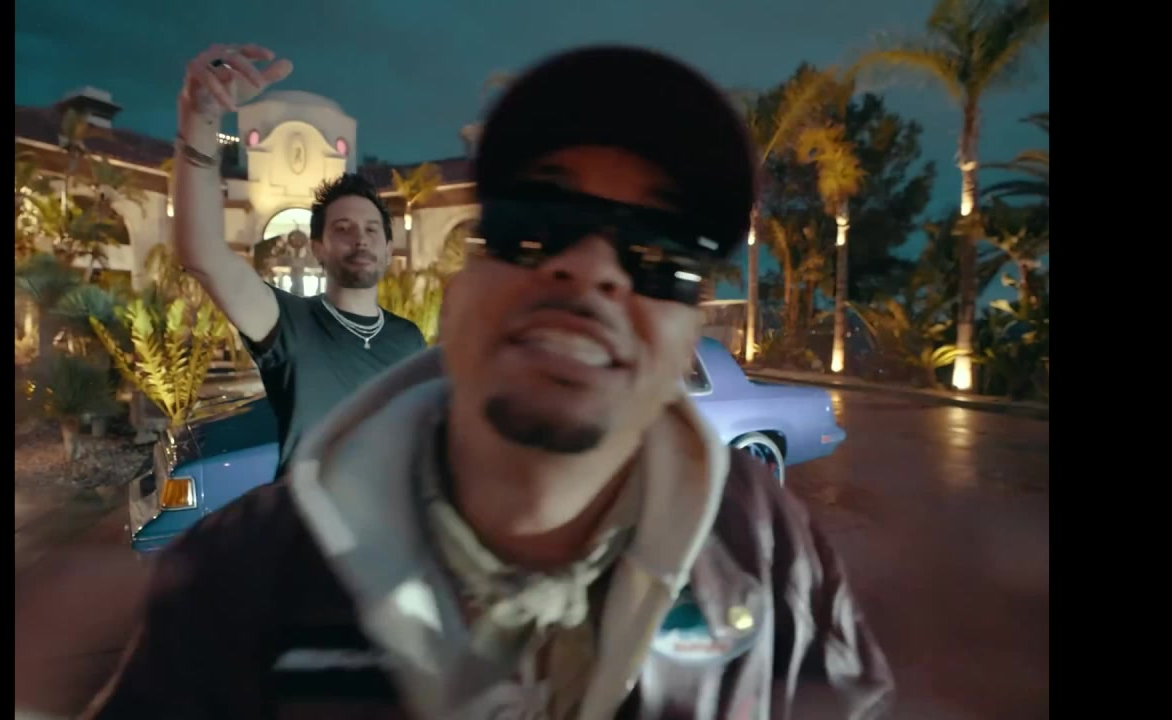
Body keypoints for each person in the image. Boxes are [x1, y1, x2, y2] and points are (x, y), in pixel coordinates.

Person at [66, 44, 893, 719]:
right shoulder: (245, 583)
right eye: (536, 228)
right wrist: (198, 133)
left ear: (689, 327)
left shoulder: (770, 553)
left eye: (659, 260)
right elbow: (207, 255)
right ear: (463, 292)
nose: (591, 271)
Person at [171, 43, 426, 478]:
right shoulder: (286, 323)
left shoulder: (409, 341)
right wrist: (201, 119)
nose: (360, 239)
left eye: (371, 230)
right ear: (318, 248)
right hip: (304, 520)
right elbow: (204, 253)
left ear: (388, 248)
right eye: (342, 228)